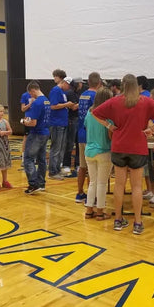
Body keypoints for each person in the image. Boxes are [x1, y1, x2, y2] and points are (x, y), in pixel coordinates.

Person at [92, 74, 154, 235]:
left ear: (122, 85)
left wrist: (108, 126)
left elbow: (95, 112)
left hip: (119, 147)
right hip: (138, 148)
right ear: (136, 86)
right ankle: (137, 222)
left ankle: (118, 220)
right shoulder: (145, 101)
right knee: (136, 187)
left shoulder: (115, 101)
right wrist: (153, 130)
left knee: (119, 185)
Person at [83, 87, 114, 221]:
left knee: (92, 182)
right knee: (102, 183)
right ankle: (100, 212)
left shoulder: (90, 113)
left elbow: (86, 127)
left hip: (89, 151)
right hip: (104, 151)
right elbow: (110, 135)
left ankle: (89, 210)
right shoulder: (108, 116)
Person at [76, 72, 102, 203]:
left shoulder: (83, 95)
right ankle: (93, 196)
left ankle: (80, 193)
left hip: (81, 133)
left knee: (82, 166)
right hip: (91, 135)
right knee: (93, 168)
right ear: (99, 83)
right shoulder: (95, 96)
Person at [21, 81, 51, 194]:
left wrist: (23, 121)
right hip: (45, 132)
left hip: (36, 133)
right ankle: (41, 183)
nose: (31, 96)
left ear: (33, 90)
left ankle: (33, 184)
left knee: (28, 158)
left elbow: (33, 123)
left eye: (30, 94)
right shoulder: (47, 100)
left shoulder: (37, 103)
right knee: (42, 159)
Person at [48, 71, 75, 180]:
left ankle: (57, 169)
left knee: (61, 148)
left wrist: (68, 106)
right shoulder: (56, 91)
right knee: (56, 148)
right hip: (56, 123)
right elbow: (53, 106)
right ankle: (52, 172)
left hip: (62, 123)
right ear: (64, 83)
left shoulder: (62, 92)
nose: (69, 88)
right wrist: (66, 104)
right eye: (68, 86)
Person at [61, 77, 80, 178]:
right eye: (80, 83)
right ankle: (66, 164)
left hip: (75, 120)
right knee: (70, 143)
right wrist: (83, 103)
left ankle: (77, 164)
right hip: (72, 120)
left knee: (77, 143)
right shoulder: (70, 93)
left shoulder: (75, 93)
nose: (81, 85)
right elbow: (73, 107)